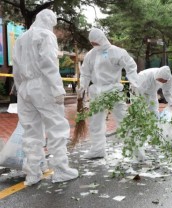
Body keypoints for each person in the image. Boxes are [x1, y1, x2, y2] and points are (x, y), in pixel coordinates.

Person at [12, 9, 78, 185]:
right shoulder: (45, 35)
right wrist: (57, 89)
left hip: (25, 88)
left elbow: (16, 68)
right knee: (56, 127)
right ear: (48, 20)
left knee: (31, 131)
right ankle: (61, 170)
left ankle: (33, 173)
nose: (53, 27)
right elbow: (48, 64)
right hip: (43, 86)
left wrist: (21, 89)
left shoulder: (21, 39)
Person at [77, 28, 139, 159]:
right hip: (97, 92)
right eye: (92, 43)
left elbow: (131, 66)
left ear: (102, 39)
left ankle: (134, 149)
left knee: (123, 119)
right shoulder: (90, 55)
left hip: (113, 90)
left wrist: (134, 82)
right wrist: (83, 86)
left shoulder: (117, 52)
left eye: (96, 42)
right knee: (95, 122)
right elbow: (85, 72)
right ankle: (97, 149)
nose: (94, 45)